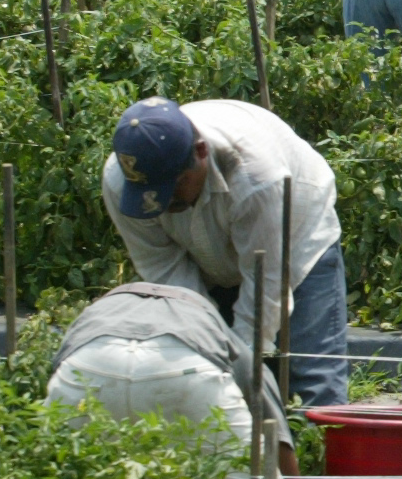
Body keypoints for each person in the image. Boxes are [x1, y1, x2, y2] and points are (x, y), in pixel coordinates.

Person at [100, 98, 349, 414]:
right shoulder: (121, 182)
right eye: (148, 196)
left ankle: (316, 460)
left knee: (314, 387)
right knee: (210, 390)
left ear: (200, 153)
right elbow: (163, 269)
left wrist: (238, 364)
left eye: (171, 188)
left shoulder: (256, 175)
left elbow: (266, 286)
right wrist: (207, 351)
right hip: (204, 260)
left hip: (295, 244)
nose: (160, 204)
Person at [46, 282, 296, 479]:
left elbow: (54, 379)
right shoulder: (210, 323)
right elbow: (272, 428)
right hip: (183, 363)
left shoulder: (97, 312)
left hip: (90, 361)